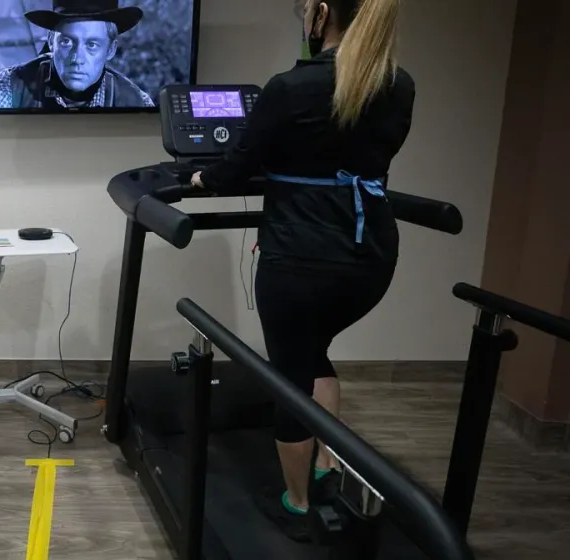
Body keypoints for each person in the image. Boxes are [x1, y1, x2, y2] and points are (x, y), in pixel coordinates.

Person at [190, 0, 412, 542]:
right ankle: (325, 466)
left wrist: (201, 180)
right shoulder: (399, 82)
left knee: (289, 374)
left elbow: (238, 165)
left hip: (300, 256)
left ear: (318, 13)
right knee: (314, 353)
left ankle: (296, 501)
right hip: (371, 257)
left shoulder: (290, 88)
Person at [0, 0, 155, 110]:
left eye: (92, 45)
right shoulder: (13, 85)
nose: (76, 58)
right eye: (67, 42)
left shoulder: (137, 100)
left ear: (110, 50)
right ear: (51, 41)